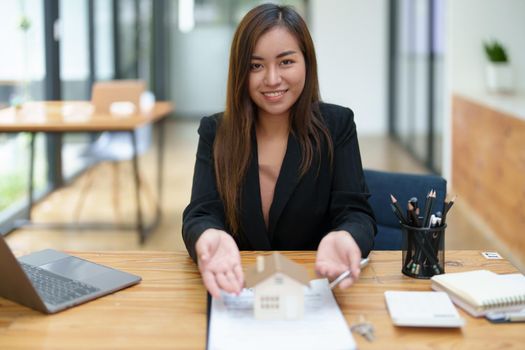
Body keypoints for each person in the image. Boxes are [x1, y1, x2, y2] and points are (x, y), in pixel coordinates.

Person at [182, 3, 376, 299]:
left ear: (306, 62)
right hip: (237, 291)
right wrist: (208, 236)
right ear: (240, 72)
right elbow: (200, 213)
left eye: (286, 62)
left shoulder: (337, 125)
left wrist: (346, 235)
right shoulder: (216, 131)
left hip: (314, 290)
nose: (272, 79)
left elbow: (356, 212)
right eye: (255, 66)